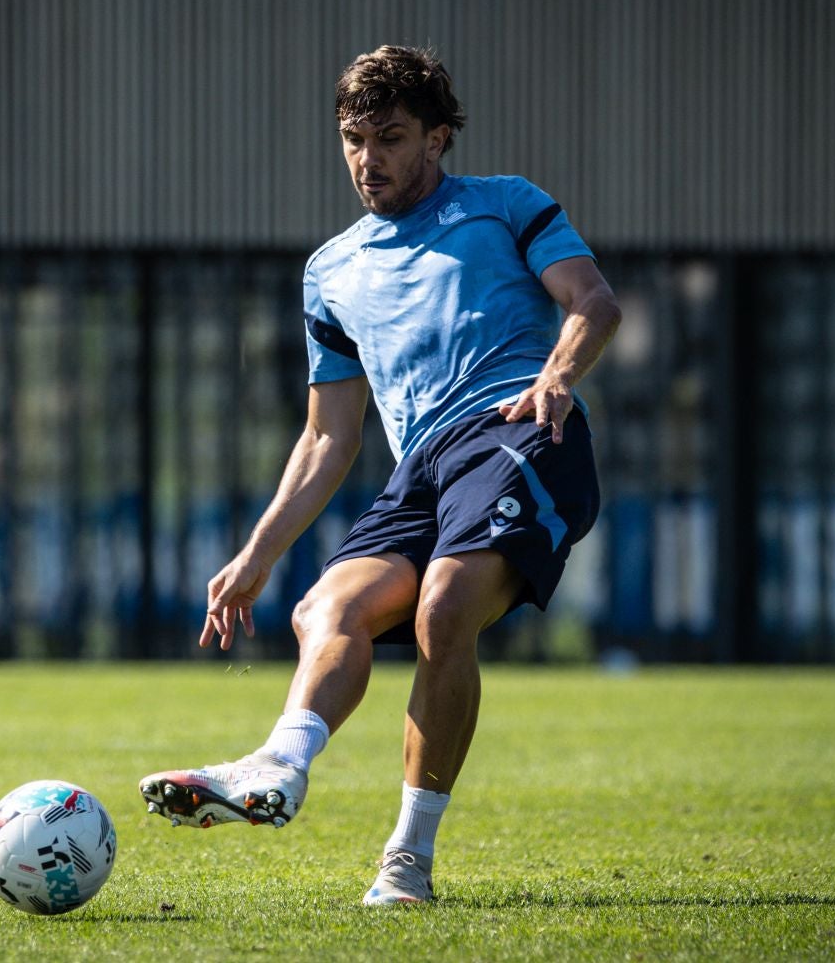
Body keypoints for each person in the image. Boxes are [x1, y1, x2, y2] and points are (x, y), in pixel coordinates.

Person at [138, 45, 621, 905]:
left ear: (438, 138)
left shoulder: (505, 206)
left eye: (391, 137)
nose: (370, 160)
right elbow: (329, 435)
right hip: (424, 469)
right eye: (354, 139)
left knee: (443, 610)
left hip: (520, 432)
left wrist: (557, 374)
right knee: (324, 608)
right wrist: (256, 553)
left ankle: (408, 859)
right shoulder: (330, 273)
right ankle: (278, 768)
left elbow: (593, 301)